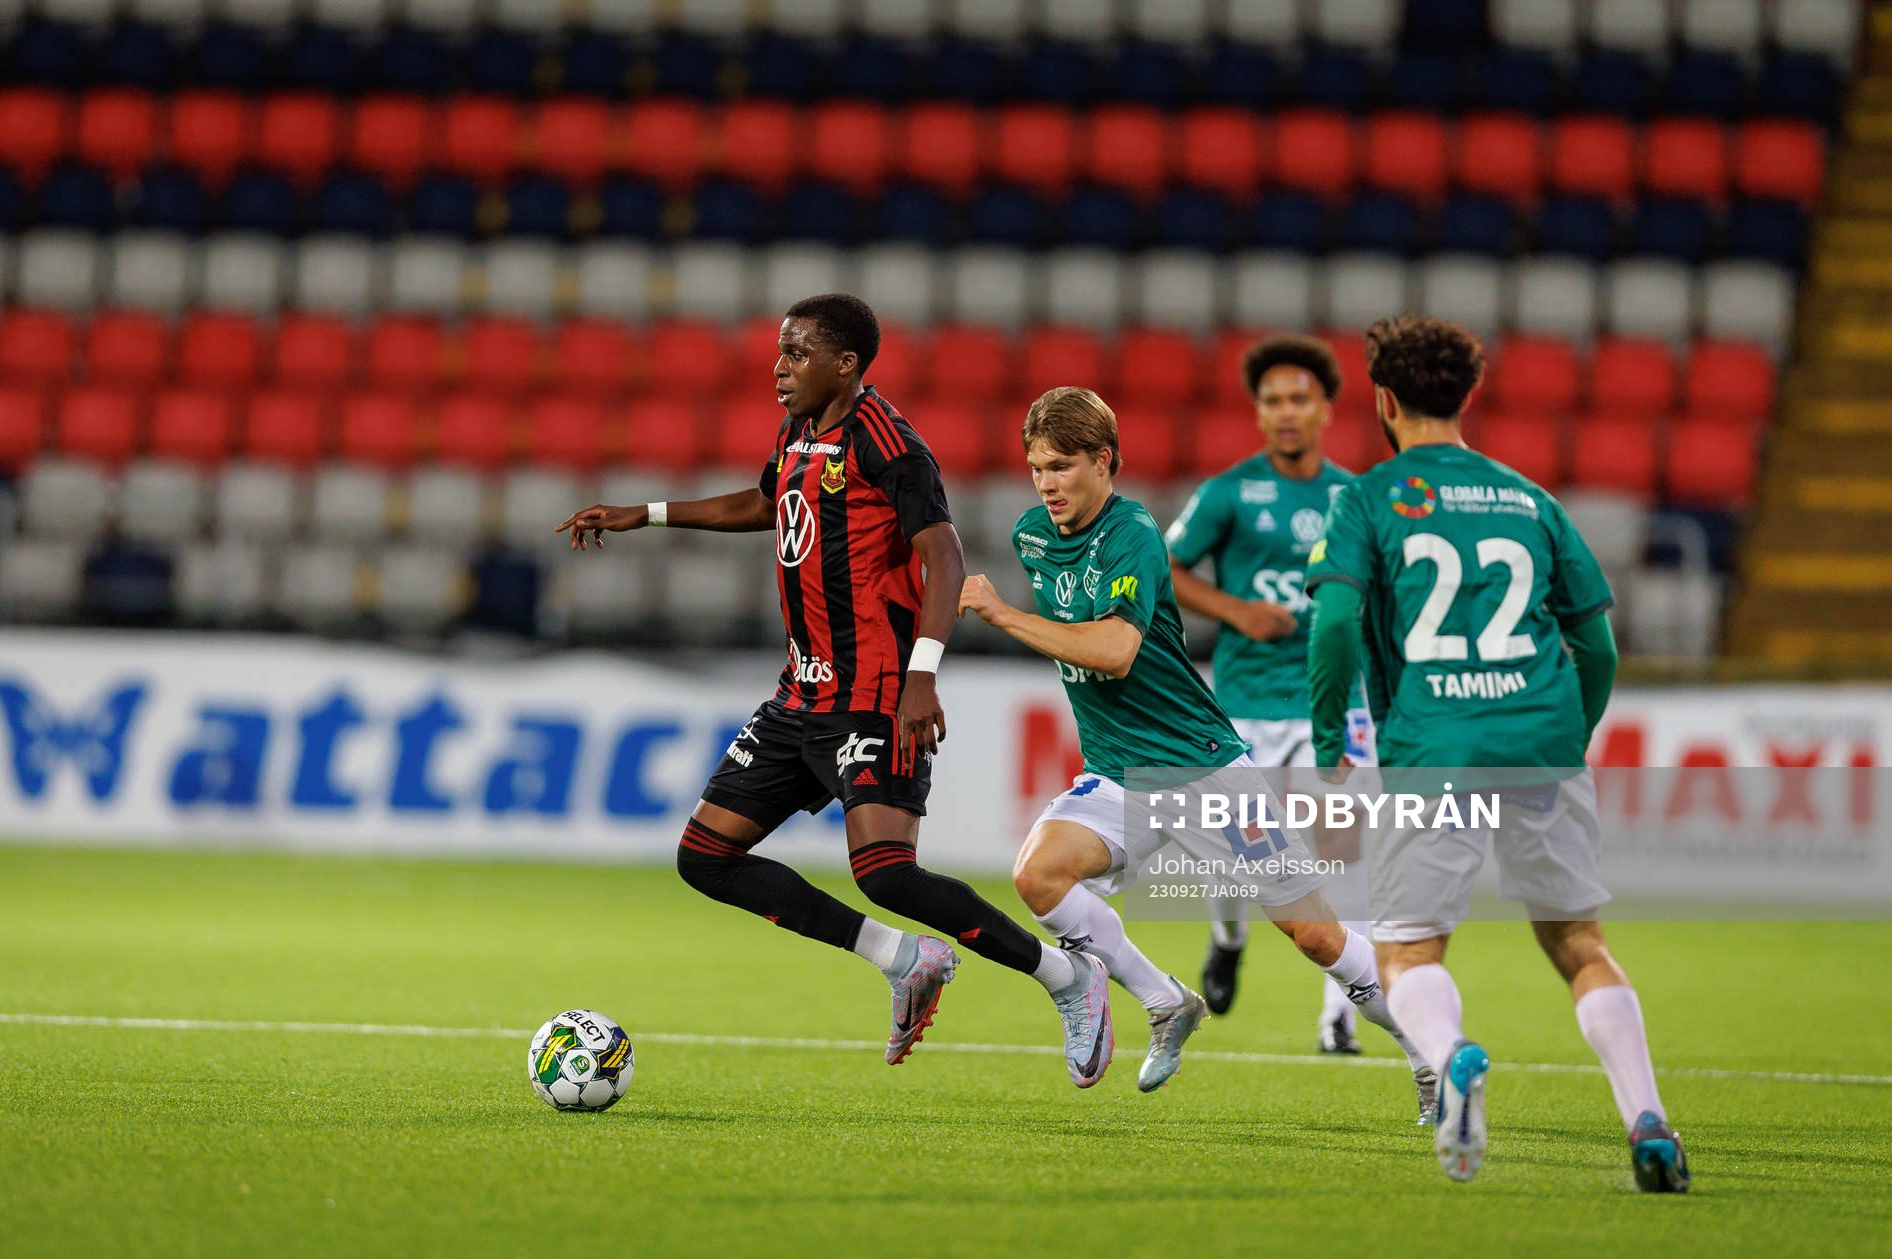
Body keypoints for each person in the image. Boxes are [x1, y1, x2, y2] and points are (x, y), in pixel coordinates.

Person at [556, 294, 1110, 1081]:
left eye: (797, 353)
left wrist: (923, 677)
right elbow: (766, 501)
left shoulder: (889, 444)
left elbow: (945, 557)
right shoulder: (800, 432)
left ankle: (1067, 975)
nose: (780, 368)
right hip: (801, 694)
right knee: (706, 856)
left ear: (845, 364)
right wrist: (644, 514)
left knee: (885, 870)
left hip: (878, 692)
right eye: (780, 352)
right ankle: (902, 960)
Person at [959, 386, 1434, 1107]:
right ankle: (1165, 1002)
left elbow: (1116, 650)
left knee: (1314, 936)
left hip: (1202, 769)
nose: (1047, 484)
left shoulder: (1135, 534)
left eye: (1061, 466)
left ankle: (1429, 1050)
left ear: (1104, 461)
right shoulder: (1033, 536)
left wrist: (1003, 615)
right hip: (1119, 773)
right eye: (1036, 469)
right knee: (1039, 876)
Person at [1305, 314, 1688, 1190]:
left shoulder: (1365, 499)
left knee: (1409, 954)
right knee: (1580, 944)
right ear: (1467, 396)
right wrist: (1564, 740)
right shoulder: (1530, 499)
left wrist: (1333, 744)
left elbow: (1331, 626)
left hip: (1433, 748)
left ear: (1384, 400)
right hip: (1542, 747)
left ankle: (1452, 1061)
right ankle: (1647, 1120)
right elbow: (1598, 648)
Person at [1166, 334, 1375, 1052]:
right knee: (1239, 855)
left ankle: (1337, 1018)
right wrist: (1236, 611)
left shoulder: (1358, 496)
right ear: (1259, 413)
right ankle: (1228, 939)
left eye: (1300, 399)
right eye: (1274, 401)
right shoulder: (1230, 491)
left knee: (1344, 854)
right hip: (1247, 702)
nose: (1287, 412)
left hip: (1337, 703)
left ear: (1325, 409)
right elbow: (1167, 567)